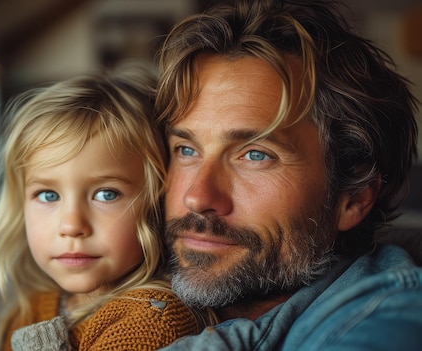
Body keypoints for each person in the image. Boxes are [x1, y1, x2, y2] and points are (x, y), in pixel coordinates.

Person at [154, 0, 422, 349]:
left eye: (255, 155)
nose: (197, 196)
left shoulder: (383, 319)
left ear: (353, 198)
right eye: (186, 150)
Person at [0, 64, 217, 351]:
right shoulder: (34, 301)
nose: (72, 225)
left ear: (156, 202)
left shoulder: (152, 320)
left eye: (105, 194)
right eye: (49, 196)